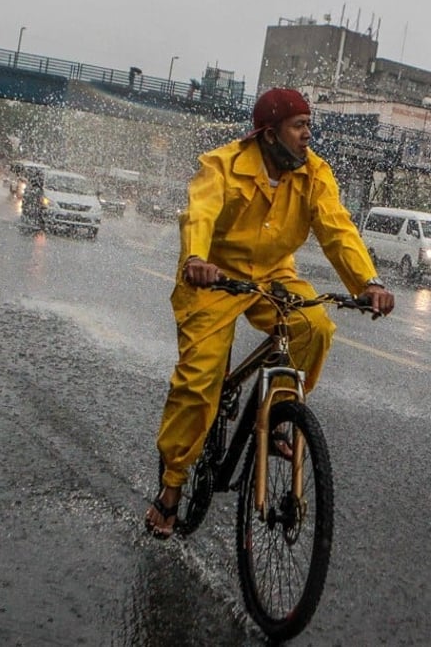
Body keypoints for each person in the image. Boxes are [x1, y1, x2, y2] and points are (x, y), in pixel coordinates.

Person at [145, 87, 395, 538]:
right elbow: (199, 214)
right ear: (269, 133)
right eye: (299, 127)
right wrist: (197, 259)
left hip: (274, 276)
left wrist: (368, 283)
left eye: (309, 126)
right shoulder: (221, 165)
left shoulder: (315, 173)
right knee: (199, 380)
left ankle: (278, 418)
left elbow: (337, 229)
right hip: (215, 277)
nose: (307, 136)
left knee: (314, 325)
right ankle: (172, 487)